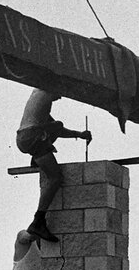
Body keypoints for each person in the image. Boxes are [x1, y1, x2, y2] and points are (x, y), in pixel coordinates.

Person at [15, 88, 92, 243]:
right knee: (55, 178)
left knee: (56, 125)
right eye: (61, 93)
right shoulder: (46, 90)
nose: (61, 97)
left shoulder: (39, 97)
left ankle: (37, 158)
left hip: (24, 137)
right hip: (33, 136)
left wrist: (79, 134)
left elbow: (57, 128)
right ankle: (38, 221)